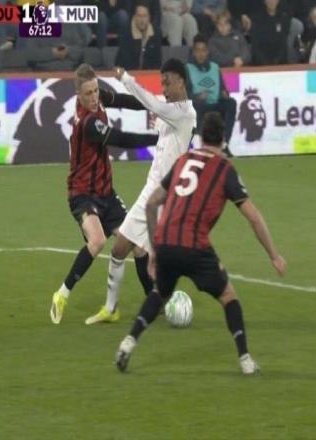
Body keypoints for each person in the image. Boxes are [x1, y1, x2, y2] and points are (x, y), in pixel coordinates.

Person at [114, 112, 287, 375]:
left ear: (201, 137)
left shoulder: (183, 160)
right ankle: (246, 361)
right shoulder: (224, 169)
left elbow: (151, 203)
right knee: (228, 296)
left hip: (166, 242)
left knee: (160, 293)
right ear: (223, 139)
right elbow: (253, 217)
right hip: (195, 246)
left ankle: (128, 343)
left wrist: (155, 249)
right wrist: (274, 255)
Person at [84, 58, 197, 325]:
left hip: (159, 196)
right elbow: (153, 111)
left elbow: (152, 105)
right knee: (136, 252)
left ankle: (114, 308)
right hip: (156, 192)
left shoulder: (184, 113)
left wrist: (126, 78)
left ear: (181, 82)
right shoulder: (173, 112)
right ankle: (149, 302)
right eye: (161, 84)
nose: (164, 89)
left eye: (167, 83)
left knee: (120, 249)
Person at [49, 63, 159, 324]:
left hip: (106, 192)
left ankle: (153, 302)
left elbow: (123, 100)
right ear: (78, 95)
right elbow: (120, 138)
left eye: (96, 90)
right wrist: (157, 138)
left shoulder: (99, 100)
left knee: (137, 245)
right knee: (97, 240)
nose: (94, 97)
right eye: (88, 93)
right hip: (82, 193)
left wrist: (153, 105)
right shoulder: (87, 122)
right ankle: (62, 294)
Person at [187, 34, 236, 156]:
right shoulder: (187, 69)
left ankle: (224, 144)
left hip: (215, 103)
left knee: (231, 103)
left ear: (207, 51)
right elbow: (185, 95)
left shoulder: (215, 67)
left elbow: (223, 89)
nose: (200, 54)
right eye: (198, 50)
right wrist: (197, 97)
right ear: (193, 52)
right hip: (199, 104)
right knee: (196, 105)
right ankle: (199, 145)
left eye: (203, 50)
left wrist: (224, 93)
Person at [115, 0, 162, 70]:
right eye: (139, 16)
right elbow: (120, 63)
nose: (142, 20)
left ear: (149, 17)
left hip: (149, 74)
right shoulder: (126, 33)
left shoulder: (156, 34)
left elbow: (158, 62)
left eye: (144, 16)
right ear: (134, 17)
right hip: (129, 73)